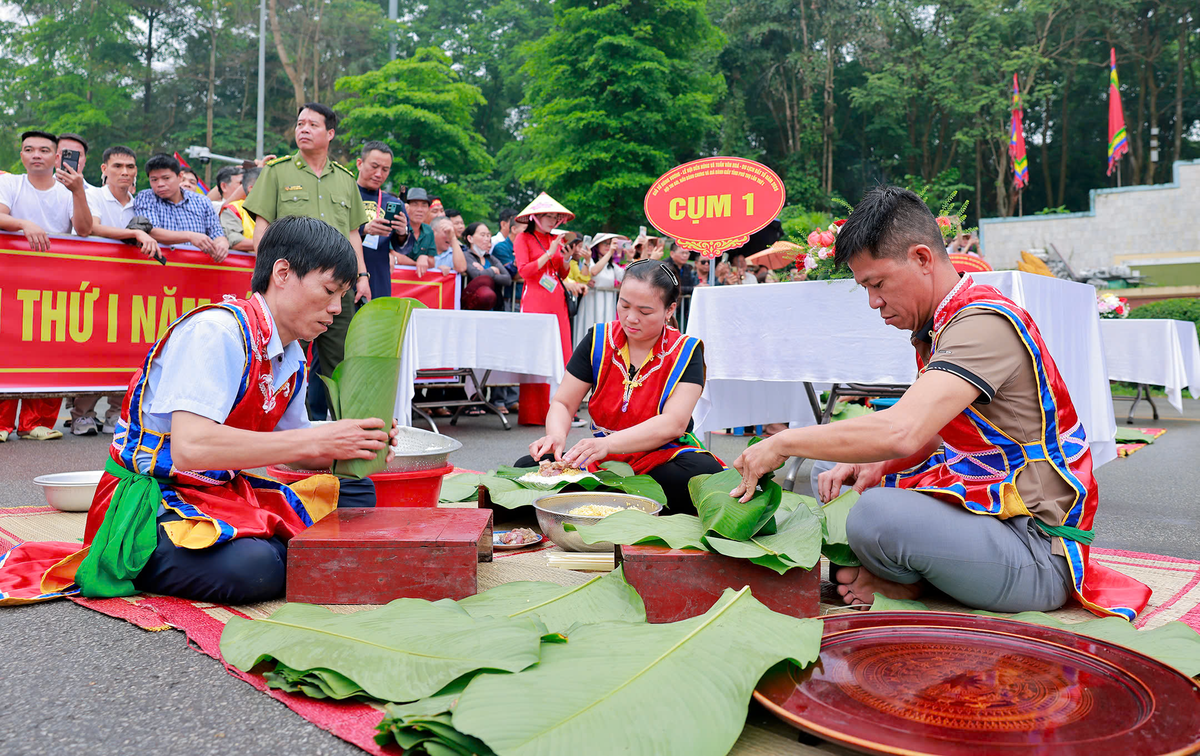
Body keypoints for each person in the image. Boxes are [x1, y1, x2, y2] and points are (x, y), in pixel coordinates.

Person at [730, 186, 1152, 619]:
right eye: (865, 289)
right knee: (832, 472)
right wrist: (872, 463)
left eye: (878, 284)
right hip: (991, 511)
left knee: (874, 514)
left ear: (922, 258)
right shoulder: (942, 324)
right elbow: (935, 435)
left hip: (1036, 548)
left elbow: (902, 431)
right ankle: (900, 576)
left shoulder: (983, 323)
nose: (874, 302)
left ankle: (902, 580)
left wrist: (782, 443)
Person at [0, 216, 394, 606]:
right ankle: (160, 556)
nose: (337, 308)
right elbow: (192, 448)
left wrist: (354, 442)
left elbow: (293, 447)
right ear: (283, 273)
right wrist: (320, 437)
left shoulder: (292, 354)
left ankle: (276, 549)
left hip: (218, 491)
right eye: (329, 290)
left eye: (342, 295)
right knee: (255, 567)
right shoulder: (218, 332)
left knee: (357, 492)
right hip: (154, 498)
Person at [520, 260, 724, 513]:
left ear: (670, 309)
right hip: (600, 457)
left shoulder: (686, 350)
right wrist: (556, 436)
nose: (630, 318)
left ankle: (597, 499)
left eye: (645, 311)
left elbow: (674, 423)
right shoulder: (598, 339)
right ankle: (627, 501)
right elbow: (563, 402)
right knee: (528, 466)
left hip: (661, 457)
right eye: (624, 305)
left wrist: (608, 444)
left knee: (702, 474)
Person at [242, 102, 371, 420]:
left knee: (341, 361)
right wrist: (269, 279)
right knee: (274, 355)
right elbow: (262, 231)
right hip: (291, 286)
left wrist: (362, 276)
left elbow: (353, 234)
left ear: (330, 133)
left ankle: (346, 435)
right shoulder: (276, 172)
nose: (303, 129)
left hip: (336, 287)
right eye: (300, 124)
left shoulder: (345, 180)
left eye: (313, 124)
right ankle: (264, 426)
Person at [0, 130, 93, 442]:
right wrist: (24, 223)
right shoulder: (10, 183)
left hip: (55, 283)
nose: (35, 155)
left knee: (50, 349)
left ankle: (36, 422)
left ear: (56, 157)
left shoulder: (69, 190)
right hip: (12, 281)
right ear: (22, 155)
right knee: (8, 346)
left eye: (43, 150)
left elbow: (83, 229)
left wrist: (79, 192)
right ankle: (2, 422)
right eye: (29, 149)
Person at [74, 145, 159, 437]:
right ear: (104, 169)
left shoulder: (139, 204)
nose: (125, 172)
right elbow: (91, 228)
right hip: (91, 285)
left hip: (130, 289)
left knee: (126, 350)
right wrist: (135, 233)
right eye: (118, 166)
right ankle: (81, 415)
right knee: (93, 349)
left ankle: (115, 413)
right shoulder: (93, 196)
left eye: (131, 167)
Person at [514, 192, 575, 365]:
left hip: (557, 299)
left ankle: (561, 392)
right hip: (535, 298)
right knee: (536, 349)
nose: (553, 221)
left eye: (556, 217)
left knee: (561, 347)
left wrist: (566, 259)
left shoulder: (556, 238)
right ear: (536, 217)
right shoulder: (523, 238)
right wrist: (549, 253)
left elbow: (562, 274)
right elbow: (524, 271)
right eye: (549, 216)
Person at [134, 154, 229, 262]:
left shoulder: (202, 201)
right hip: (160, 267)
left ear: (180, 177)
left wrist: (222, 243)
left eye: (166, 178)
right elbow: (151, 231)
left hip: (197, 268)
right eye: (154, 180)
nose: (160, 184)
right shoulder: (146, 197)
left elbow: (216, 232)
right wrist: (189, 236)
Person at [354, 141, 412, 298]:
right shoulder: (343, 195)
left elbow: (406, 248)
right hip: (343, 271)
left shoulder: (393, 203)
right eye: (374, 166)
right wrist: (364, 229)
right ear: (360, 163)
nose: (379, 174)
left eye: (385, 169)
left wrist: (402, 233)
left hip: (378, 275)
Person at [572, 232, 623, 345]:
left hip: (607, 304)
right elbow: (594, 271)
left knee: (605, 334)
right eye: (604, 243)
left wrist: (630, 257)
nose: (607, 246)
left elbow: (625, 276)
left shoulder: (612, 266)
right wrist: (610, 253)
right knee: (588, 331)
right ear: (597, 246)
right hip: (591, 303)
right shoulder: (589, 260)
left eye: (610, 244)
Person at [463, 221, 512, 313]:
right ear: (470, 238)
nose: (486, 239)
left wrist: (485, 272)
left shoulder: (491, 258)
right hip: (473, 307)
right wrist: (492, 270)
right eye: (482, 235)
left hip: (494, 307)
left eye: (488, 235)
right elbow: (477, 276)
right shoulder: (466, 256)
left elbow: (507, 279)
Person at [220, 167, 262, 252]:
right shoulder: (233, 209)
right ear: (251, 189)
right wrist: (271, 245)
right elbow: (235, 241)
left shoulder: (279, 209)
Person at [664, 243, 698, 328]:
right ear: (672, 253)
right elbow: (671, 287)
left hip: (684, 308)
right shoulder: (665, 265)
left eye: (687, 253)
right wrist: (694, 289)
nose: (685, 256)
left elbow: (690, 284)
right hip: (669, 306)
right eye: (682, 253)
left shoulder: (687, 267)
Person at [405, 187, 438, 274]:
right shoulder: (397, 227)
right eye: (415, 205)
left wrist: (425, 258)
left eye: (424, 205)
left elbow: (432, 261)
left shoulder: (429, 231)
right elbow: (393, 255)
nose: (420, 210)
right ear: (406, 207)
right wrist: (416, 264)